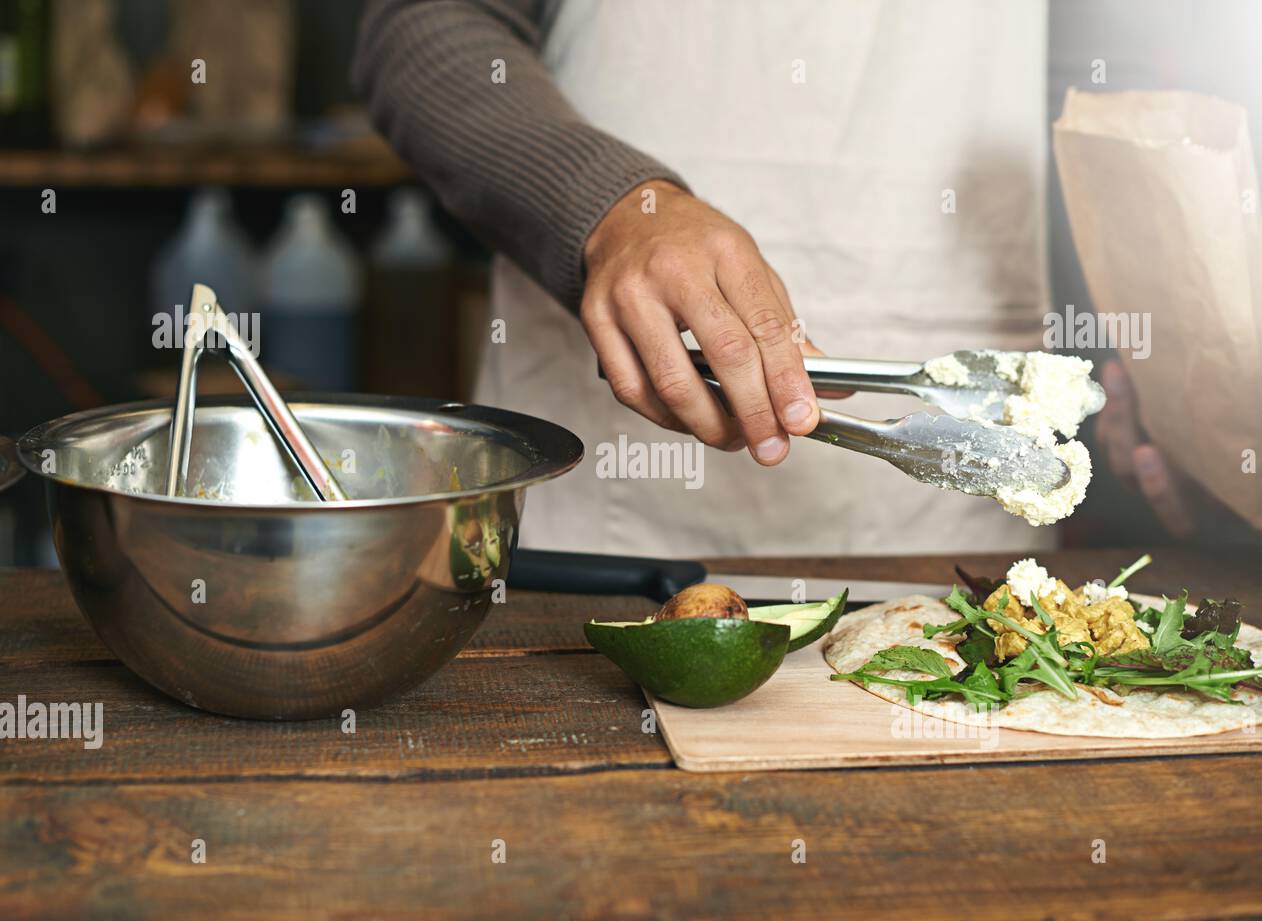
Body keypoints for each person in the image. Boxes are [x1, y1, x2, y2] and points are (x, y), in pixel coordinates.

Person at [354, 0, 1081, 556]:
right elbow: (423, 30)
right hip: (607, 540)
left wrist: (1159, 350)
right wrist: (611, 210)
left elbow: (1117, 82)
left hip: (958, 532)